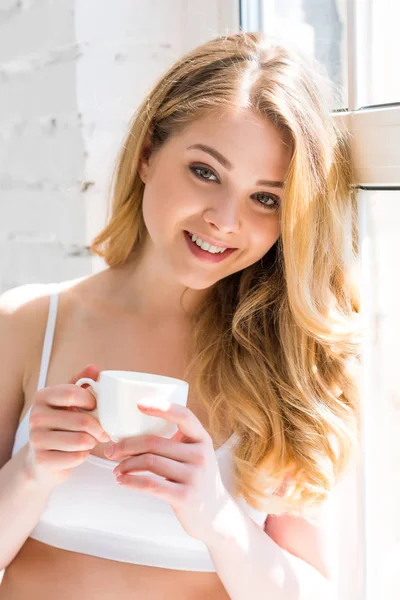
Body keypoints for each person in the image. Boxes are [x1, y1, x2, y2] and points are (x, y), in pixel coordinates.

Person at [0, 31, 360, 599]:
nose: (224, 219)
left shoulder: (288, 364)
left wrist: (216, 518)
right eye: (206, 172)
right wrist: (31, 473)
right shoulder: (24, 325)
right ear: (147, 155)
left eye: (265, 198)